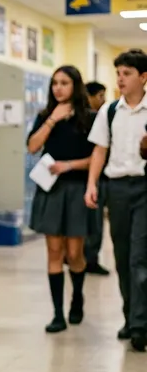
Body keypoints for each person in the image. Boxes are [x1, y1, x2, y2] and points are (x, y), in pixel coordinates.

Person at [85, 49, 147, 350]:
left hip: (145, 187)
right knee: (122, 257)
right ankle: (130, 316)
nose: (120, 79)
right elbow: (99, 151)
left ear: (143, 77)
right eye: (118, 73)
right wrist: (91, 184)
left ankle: (140, 325)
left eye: (127, 74)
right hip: (117, 189)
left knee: (139, 257)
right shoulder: (109, 111)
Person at [27, 66, 94, 333]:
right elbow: (32, 146)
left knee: (74, 254)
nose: (58, 87)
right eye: (55, 83)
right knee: (54, 251)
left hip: (76, 188)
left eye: (64, 83)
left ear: (75, 86)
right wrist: (53, 120)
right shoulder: (46, 116)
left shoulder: (91, 117)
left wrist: (68, 165)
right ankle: (57, 313)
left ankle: (77, 297)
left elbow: (98, 157)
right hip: (51, 190)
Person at [83, 81, 110, 275]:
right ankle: (88, 259)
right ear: (89, 96)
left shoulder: (101, 116)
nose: (103, 100)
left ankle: (89, 258)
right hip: (87, 178)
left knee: (95, 221)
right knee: (92, 222)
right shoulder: (91, 118)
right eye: (100, 96)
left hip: (100, 177)